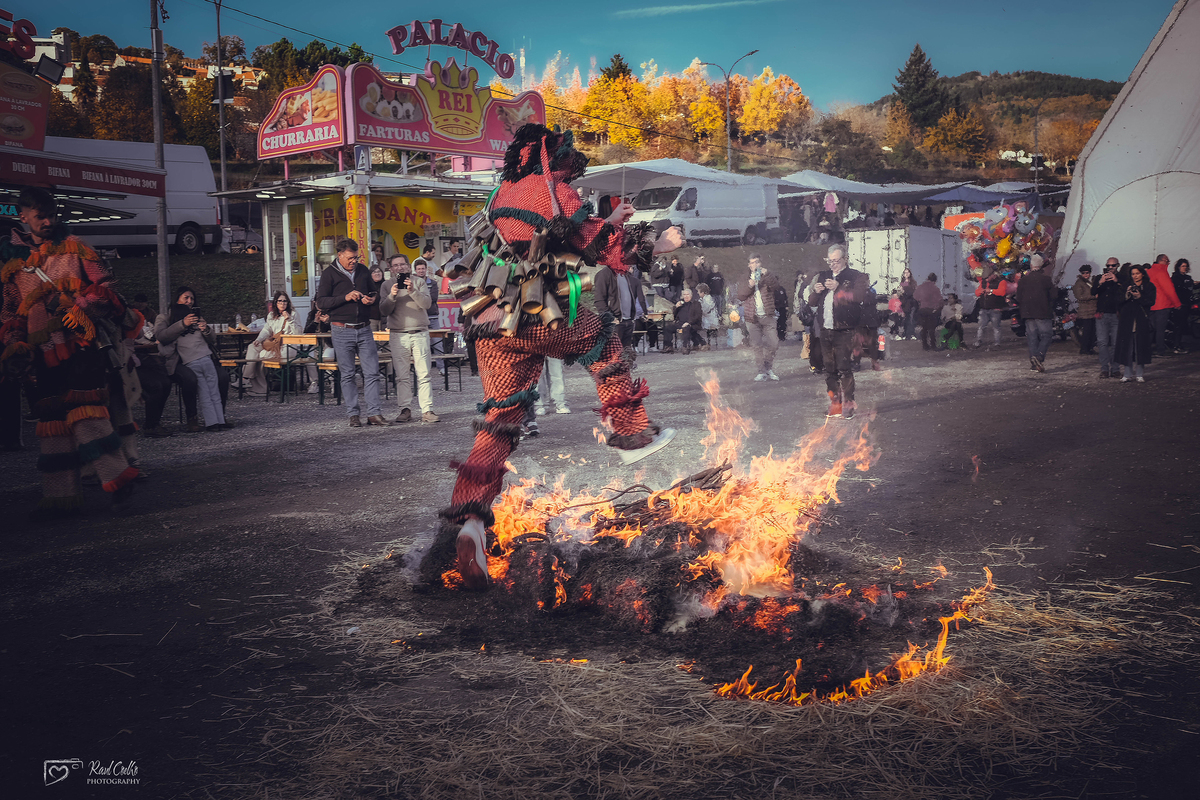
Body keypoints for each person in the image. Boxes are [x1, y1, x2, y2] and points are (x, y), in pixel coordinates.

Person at [438, 124, 681, 591]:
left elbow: (553, 238)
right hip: (533, 313)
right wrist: (659, 242)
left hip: (489, 321)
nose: (572, 170)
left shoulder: (500, 193)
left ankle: (470, 522)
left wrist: (610, 221)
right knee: (603, 340)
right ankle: (631, 435)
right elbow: (597, 244)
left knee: (501, 421)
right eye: (568, 162)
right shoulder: (552, 190)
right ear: (553, 157)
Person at [1, 187, 140, 513]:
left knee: (87, 415)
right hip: (40, 354)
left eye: (52, 215)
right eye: (40, 216)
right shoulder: (13, 263)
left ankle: (119, 479)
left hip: (81, 346)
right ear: (23, 217)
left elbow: (108, 288)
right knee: (52, 424)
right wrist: (14, 343)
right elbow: (10, 311)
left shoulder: (77, 248)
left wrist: (80, 306)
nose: (48, 222)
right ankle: (60, 497)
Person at [314, 238, 389, 428]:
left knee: (372, 372)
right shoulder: (329, 274)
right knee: (347, 374)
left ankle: (374, 413)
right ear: (339, 255)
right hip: (341, 328)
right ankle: (353, 414)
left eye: (356, 257)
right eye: (350, 258)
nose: (354, 261)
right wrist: (345, 297)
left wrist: (371, 299)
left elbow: (374, 292)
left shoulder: (363, 270)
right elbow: (321, 302)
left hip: (364, 328)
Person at [808, 244, 868, 418]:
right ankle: (835, 404)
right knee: (829, 369)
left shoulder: (855, 276)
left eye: (836, 261)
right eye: (830, 261)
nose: (832, 264)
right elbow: (812, 302)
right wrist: (816, 291)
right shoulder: (823, 275)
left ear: (845, 259)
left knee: (844, 368)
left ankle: (848, 406)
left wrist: (839, 288)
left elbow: (859, 297)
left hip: (845, 329)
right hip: (825, 329)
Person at [156, 287, 227, 432]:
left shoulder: (197, 317)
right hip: (178, 361)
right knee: (191, 379)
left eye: (192, 299)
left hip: (203, 357)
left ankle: (220, 417)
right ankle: (192, 418)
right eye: (186, 298)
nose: (189, 301)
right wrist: (183, 324)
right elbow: (162, 337)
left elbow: (212, 339)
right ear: (177, 298)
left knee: (223, 376)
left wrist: (206, 329)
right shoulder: (164, 318)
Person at [379, 253, 437, 423]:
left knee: (424, 373)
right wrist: (392, 296)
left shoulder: (418, 282)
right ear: (391, 269)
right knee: (402, 375)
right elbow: (383, 310)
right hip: (398, 334)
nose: (399, 268)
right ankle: (405, 409)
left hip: (419, 332)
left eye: (402, 264)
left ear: (408, 266)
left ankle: (427, 410)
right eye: (395, 265)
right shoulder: (386, 285)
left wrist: (413, 291)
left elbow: (427, 304)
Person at [242, 292, 300, 396]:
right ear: (276, 303)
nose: (282, 303)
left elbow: (298, 333)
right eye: (280, 301)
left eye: (285, 301)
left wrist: (289, 320)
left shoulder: (293, 314)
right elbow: (267, 330)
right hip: (274, 344)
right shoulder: (272, 315)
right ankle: (247, 377)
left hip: (287, 347)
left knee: (260, 357)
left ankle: (251, 383)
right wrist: (259, 339)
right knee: (253, 347)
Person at [738, 254, 782, 381]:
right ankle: (761, 371)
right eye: (752, 263)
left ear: (760, 263)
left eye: (757, 262)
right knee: (757, 345)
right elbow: (740, 295)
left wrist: (767, 274)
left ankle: (768, 367)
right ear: (749, 265)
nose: (755, 265)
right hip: (752, 317)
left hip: (768, 315)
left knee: (774, 343)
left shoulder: (767, 275)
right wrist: (750, 286)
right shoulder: (745, 278)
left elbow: (776, 287)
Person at [1015, 254, 1056, 372]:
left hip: (1027, 313)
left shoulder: (1023, 280)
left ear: (1031, 265)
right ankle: (1039, 356)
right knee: (1047, 335)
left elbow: (1018, 297)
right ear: (1041, 265)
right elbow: (1053, 296)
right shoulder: (1046, 279)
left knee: (1032, 337)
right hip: (1043, 312)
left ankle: (1034, 363)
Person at [594, 260, 648, 348]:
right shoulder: (604, 274)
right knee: (614, 351)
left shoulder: (627, 276)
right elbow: (599, 300)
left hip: (628, 321)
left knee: (626, 351)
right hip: (615, 321)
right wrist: (609, 318)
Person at [1115, 265, 1155, 382]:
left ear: (1142, 274)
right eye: (1133, 274)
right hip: (1127, 320)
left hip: (1141, 320)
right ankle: (1127, 374)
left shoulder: (1149, 286)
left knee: (1140, 347)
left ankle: (1139, 374)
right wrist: (1127, 294)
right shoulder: (1126, 285)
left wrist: (1140, 296)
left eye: (1137, 273)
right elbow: (1118, 300)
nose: (1135, 276)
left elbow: (1151, 301)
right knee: (1127, 347)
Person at [1092, 257, 1124, 378]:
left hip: (1116, 314)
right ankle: (1104, 369)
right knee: (1102, 343)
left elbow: (1125, 291)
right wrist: (1100, 282)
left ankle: (1115, 369)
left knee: (1116, 343)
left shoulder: (1122, 278)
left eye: (1113, 266)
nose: (1110, 268)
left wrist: (1116, 281)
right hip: (1102, 314)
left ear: (1117, 266)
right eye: (1108, 266)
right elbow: (1092, 291)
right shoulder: (1100, 278)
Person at [1146, 254, 1181, 356]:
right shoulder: (1161, 272)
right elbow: (1169, 289)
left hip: (1150, 305)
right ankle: (1160, 351)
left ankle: (1146, 351)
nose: (1168, 263)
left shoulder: (1149, 272)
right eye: (1167, 261)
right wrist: (1177, 303)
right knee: (1160, 329)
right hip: (1162, 305)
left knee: (1151, 329)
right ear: (1163, 260)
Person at [973, 266, 1008, 349]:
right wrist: (980, 291)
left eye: (987, 277)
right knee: (981, 326)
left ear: (992, 275)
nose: (986, 279)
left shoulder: (1001, 281)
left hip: (996, 308)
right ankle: (979, 341)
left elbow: (1002, 292)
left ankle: (997, 342)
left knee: (996, 327)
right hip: (984, 308)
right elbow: (977, 293)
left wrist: (991, 291)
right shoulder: (983, 282)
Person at [663, 287, 703, 354]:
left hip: (692, 324)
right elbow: (675, 315)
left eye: (687, 294)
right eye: (684, 294)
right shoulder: (681, 304)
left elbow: (698, 316)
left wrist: (689, 322)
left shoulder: (696, 303)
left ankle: (685, 347)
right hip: (680, 323)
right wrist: (676, 307)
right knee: (667, 328)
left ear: (691, 295)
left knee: (686, 328)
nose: (686, 296)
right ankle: (668, 346)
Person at [913, 272, 944, 351]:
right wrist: (937, 308)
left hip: (922, 309)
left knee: (924, 328)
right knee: (931, 328)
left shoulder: (921, 287)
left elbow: (915, 296)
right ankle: (933, 344)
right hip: (931, 310)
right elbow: (940, 300)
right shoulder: (935, 288)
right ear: (935, 280)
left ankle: (925, 345)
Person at [1071, 265, 1097, 355]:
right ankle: (1084, 348)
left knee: (1092, 331)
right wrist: (1093, 296)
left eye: (1087, 273)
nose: (1086, 275)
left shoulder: (1090, 282)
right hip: (1085, 311)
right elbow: (1079, 296)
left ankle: (1089, 348)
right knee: (1087, 331)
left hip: (1093, 310)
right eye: (1083, 273)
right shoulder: (1079, 283)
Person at [1170, 258, 1192, 352]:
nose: (1184, 268)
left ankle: (1178, 344)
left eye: (1185, 266)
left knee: (1182, 325)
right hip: (1179, 304)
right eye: (1183, 266)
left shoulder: (1187, 277)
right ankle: (1176, 345)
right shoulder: (1175, 278)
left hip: (1186, 303)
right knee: (1178, 325)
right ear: (1178, 267)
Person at [899, 267, 917, 339]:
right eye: (905, 273)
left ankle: (911, 333)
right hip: (904, 303)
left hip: (911, 303)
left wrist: (904, 291)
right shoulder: (902, 283)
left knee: (911, 318)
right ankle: (906, 332)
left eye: (907, 272)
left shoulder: (913, 283)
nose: (906, 274)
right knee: (905, 318)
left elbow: (913, 292)